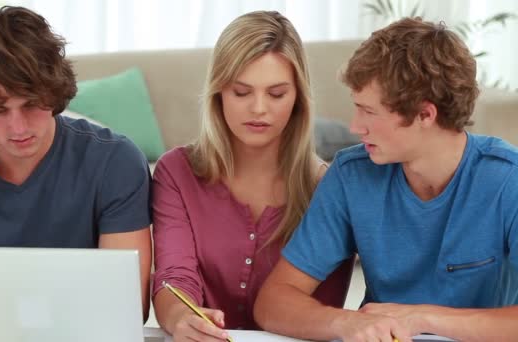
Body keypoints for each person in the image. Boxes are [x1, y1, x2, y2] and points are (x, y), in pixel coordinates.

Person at [254, 17, 518, 342]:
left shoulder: (507, 180)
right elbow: (273, 302)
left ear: (425, 114)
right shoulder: (351, 175)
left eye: (369, 111)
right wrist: (345, 324)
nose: (355, 126)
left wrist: (419, 318)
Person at [0, 6, 152, 329]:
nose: (18, 127)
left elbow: (127, 305)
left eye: (31, 104)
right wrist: (0, 325)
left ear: (54, 91)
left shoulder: (116, 163)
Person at [151, 10, 355, 342]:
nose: (258, 108)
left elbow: (322, 310)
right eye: (241, 92)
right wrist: (182, 320)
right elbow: (174, 277)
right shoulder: (177, 172)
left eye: (276, 94)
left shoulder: (331, 188)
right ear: (218, 92)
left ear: (298, 99)